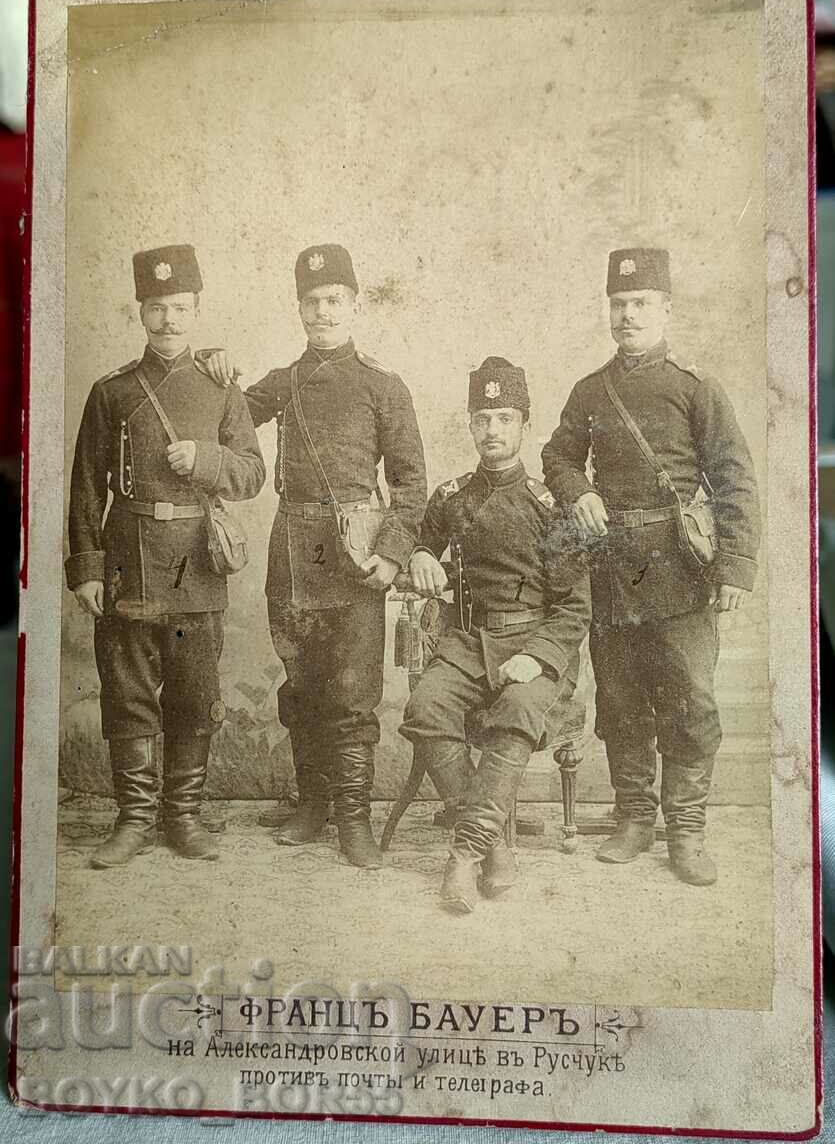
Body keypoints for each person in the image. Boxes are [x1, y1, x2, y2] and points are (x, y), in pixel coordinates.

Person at [200, 244, 426, 868]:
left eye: (334, 301)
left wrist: (390, 554)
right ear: (298, 309)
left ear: (354, 304)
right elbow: (224, 417)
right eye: (312, 302)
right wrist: (205, 362)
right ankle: (313, 804)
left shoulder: (384, 385)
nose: (323, 312)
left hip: (355, 556)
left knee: (353, 690)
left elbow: (411, 484)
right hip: (293, 553)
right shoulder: (285, 383)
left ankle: (353, 817)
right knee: (302, 684)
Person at [541, 247, 761, 886]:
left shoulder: (696, 388)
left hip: (680, 570)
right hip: (612, 571)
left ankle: (686, 828)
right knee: (621, 699)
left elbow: (734, 479)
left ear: (666, 308)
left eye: (640, 304)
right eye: (619, 304)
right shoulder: (590, 391)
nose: (628, 315)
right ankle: (634, 817)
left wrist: (737, 568)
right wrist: (575, 490)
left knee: (690, 700)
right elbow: (556, 456)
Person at [65, 244, 265, 868]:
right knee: (126, 690)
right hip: (128, 558)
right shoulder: (113, 391)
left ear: (197, 309)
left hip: (195, 566)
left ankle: (182, 817)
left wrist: (207, 461)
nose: (170, 321)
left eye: (181, 308)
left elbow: (254, 474)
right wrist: (88, 568)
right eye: (158, 308)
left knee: (192, 690)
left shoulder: (222, 389)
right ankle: (133, 820)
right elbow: (84, 485)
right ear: (141, 311)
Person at [399, 357, 591, 914]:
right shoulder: (451, 497)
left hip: (538, 646)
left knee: (516, 714)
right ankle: (495, 848)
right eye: (482, 418)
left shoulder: (550, 506)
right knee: (426, 706)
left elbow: (576, 607)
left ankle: (465, 854)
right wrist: (418, 554)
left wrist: (537, 657)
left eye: (504, 417)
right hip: (469, 642)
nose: (493, 430)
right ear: (470, 423)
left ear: (525, 424)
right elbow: (424, 543)